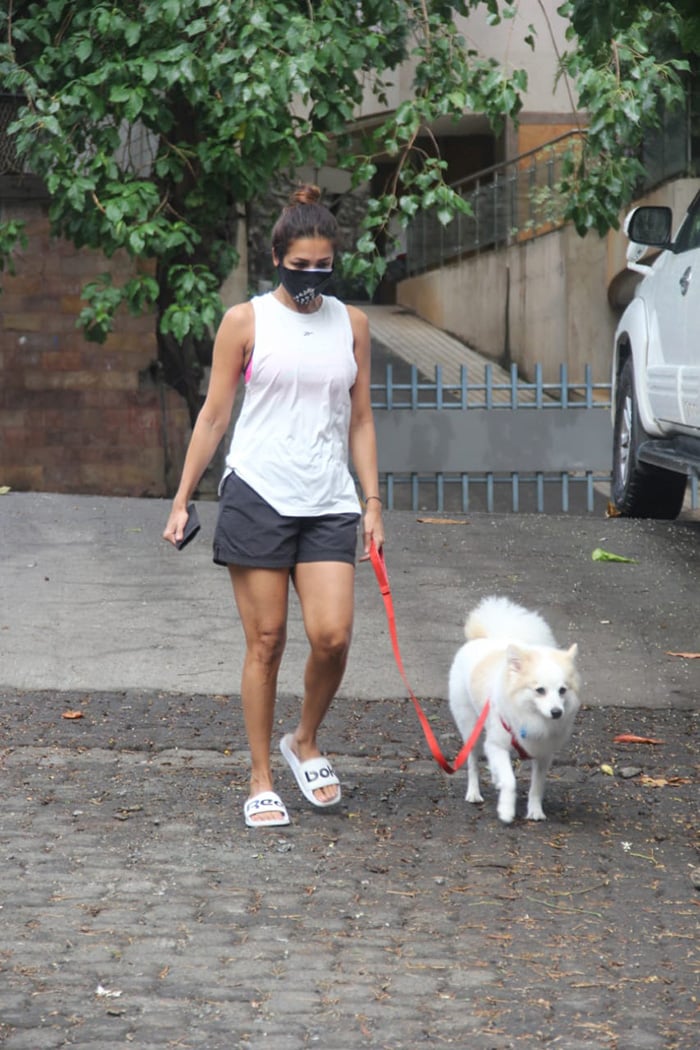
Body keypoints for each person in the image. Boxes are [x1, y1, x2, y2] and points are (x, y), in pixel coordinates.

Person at [163, 184, 384, 828]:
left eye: (324, 267)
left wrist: (372, 500)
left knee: (333, 636)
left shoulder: (354, 324)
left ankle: (304, 739)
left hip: (327, 500)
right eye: (300, 265)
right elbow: (213, 417)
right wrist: (181, 500)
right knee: (266, 640)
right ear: (277, 256)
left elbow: (361, 419)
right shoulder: (247, 321)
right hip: (258, 493)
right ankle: (261, 776)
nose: (312, 277)